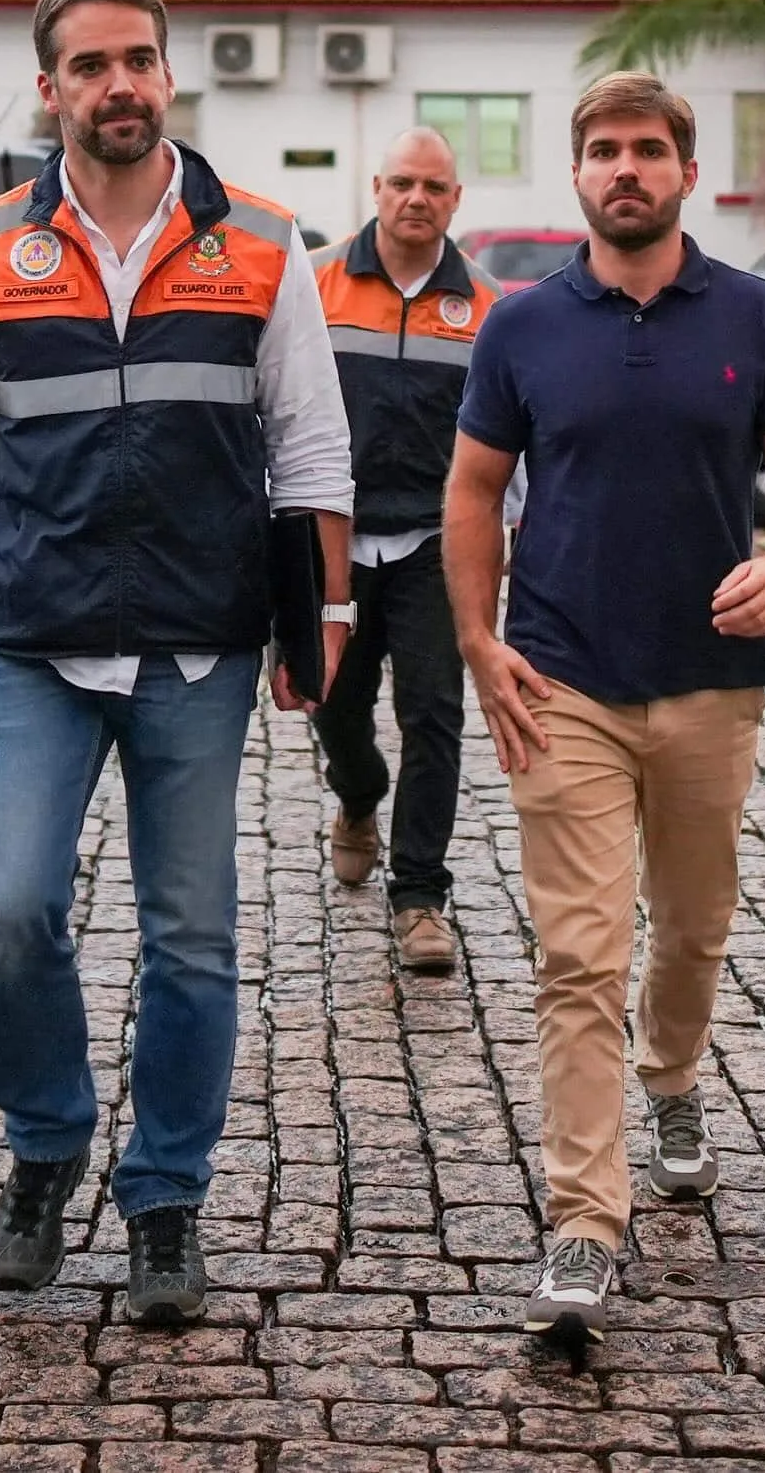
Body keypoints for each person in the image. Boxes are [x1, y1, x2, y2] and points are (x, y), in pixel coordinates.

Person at [0, 0, 354, 1324]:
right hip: (30, 637)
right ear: (50, 85)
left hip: (201, 644)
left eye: (139, 59)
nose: (118, 84)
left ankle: (169, 1193)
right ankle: (46, 1140)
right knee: (10, 911)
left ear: (168, 75)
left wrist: (326, 618)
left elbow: (309, 446)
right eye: (90, 65)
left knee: (191, 936)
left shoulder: (261, 242)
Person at [444, 71, 765, 1346]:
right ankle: (583, 1219)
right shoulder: (518, 326)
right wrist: (477, 641)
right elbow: (470, 491)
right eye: (605, 150)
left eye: (650, 150)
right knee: (578, 954)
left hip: (714, 687)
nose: (627, 168)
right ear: (576, 176)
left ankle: (671, 1078)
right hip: (562, 681)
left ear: (681, 170)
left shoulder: (760, 315)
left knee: (693, 927)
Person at [311, 128, 500, 972]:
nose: (416, 198)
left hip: (435, 542)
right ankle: (357, 794)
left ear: (455, 201)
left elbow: (511, 441)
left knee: (435, 714)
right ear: (376, 187)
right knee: (334, 704)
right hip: (333, 540)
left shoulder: (489, 309)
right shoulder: (313, 284)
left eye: (434, 186)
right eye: (401, 183)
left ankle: (420, 896)